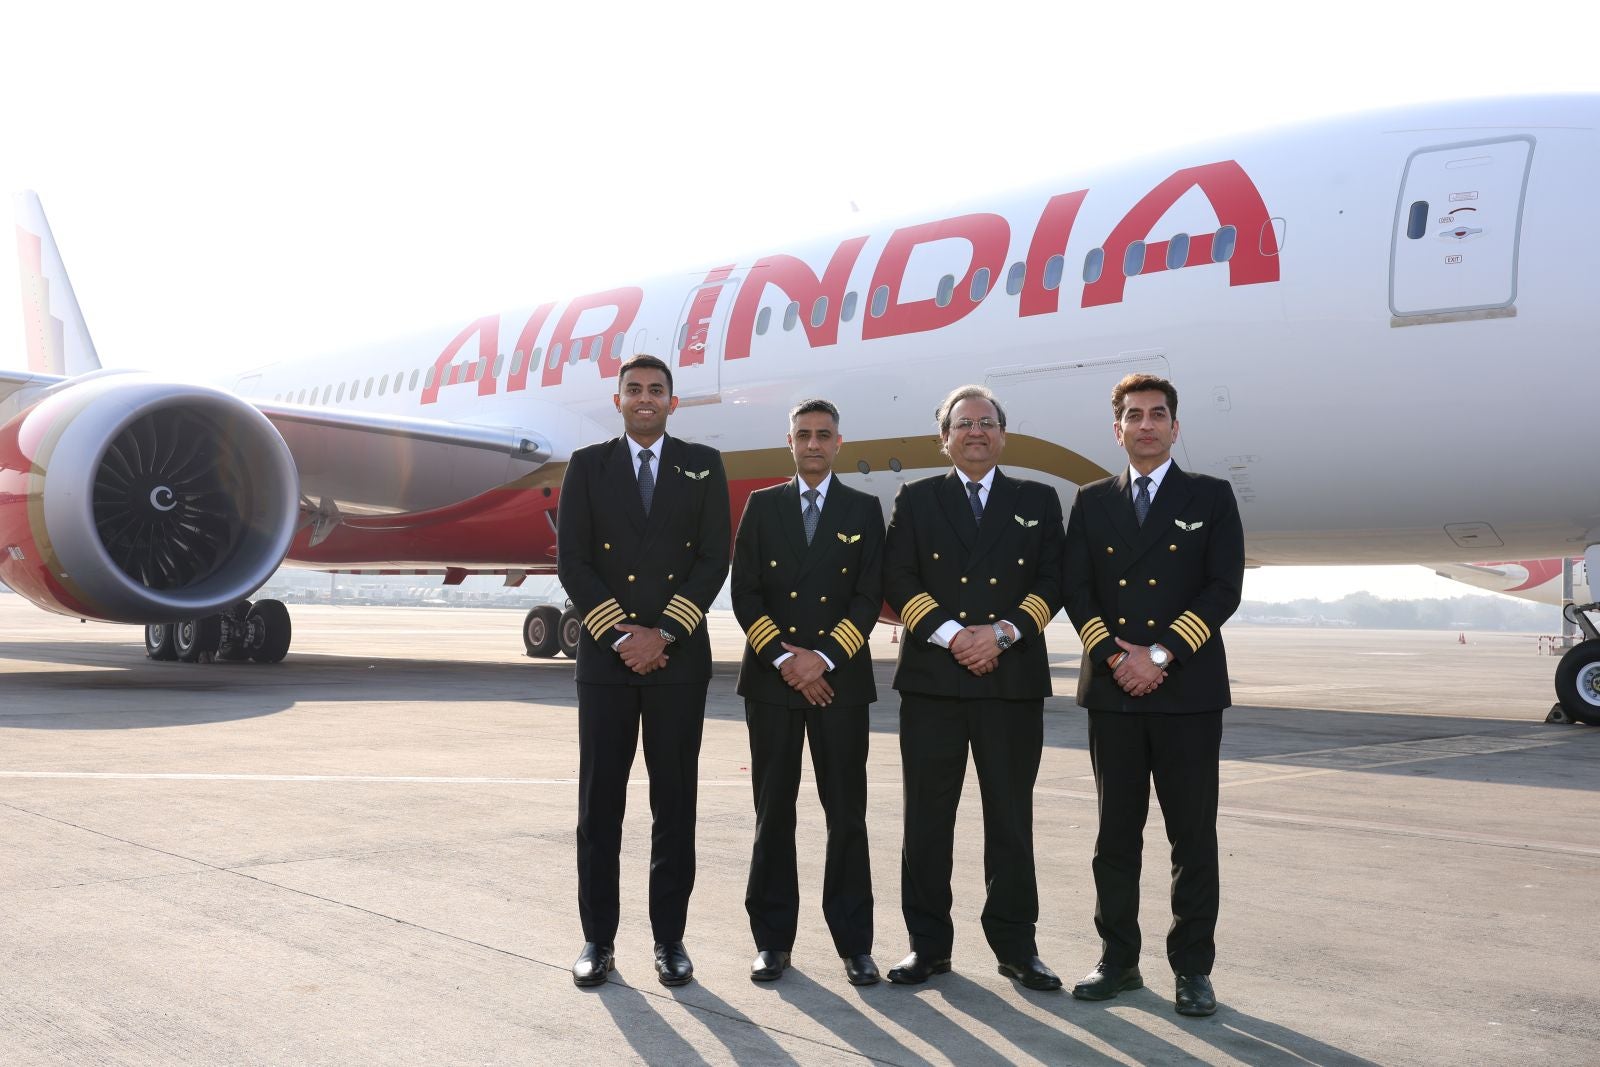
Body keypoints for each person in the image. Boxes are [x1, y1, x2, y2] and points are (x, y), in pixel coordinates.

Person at [1062, 372, 1244, 1018]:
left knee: (1192, 837)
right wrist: (1117, 657)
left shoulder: (1211, 496)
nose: (1145, 424)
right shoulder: (1090, 501)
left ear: (1174, 426)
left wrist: (1160, 653)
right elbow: (1076, 590)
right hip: (1114, 693)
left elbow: (1223, 589)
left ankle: (1193, 969)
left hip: (1186, 691)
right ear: (1117, 429)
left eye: (1157, 414)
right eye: (1133, 415)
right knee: (1116, 837)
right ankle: (1118, 960)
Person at [880, 384, 1065, 991]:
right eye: (963, 424)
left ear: (1003, 434)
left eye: (986, 422)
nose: (975, 432)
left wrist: (1002, 635)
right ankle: (927, 946)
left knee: (1010, 821)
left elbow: (1052, 581)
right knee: (927, 822)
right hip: (934, 683)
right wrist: (957, 635)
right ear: (945, 438)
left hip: (1010, 684)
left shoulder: (1036, 499)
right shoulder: (917, 498)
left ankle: (1017, 946)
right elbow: (899, 578)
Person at [556, 353, 731, 989]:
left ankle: (670, 941)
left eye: (657, 390)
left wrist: (665, 634)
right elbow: (572, 562)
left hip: (677, 663)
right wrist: (621, 635)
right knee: (599, 807)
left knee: (674, 806)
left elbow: (714, 559)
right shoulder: (588, 465)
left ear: (672, 402)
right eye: (635, 390)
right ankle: (598, 941)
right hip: (607, 665)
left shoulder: (703, 466)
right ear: (619, 400)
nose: (646, 399)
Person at [731, 398, 885, 986]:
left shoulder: (863, 509)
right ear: (789, 443)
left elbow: (868, 597)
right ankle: (772, 940)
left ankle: (854, 942)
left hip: (838, 684)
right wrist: (784, 659)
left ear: (838, 443)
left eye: (823, 435)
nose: (813, 444)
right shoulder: (762, 506)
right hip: (773, 684)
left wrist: (821, 660)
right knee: (774, 814)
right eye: (803, 435)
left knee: (847, 815)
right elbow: (745, 592)